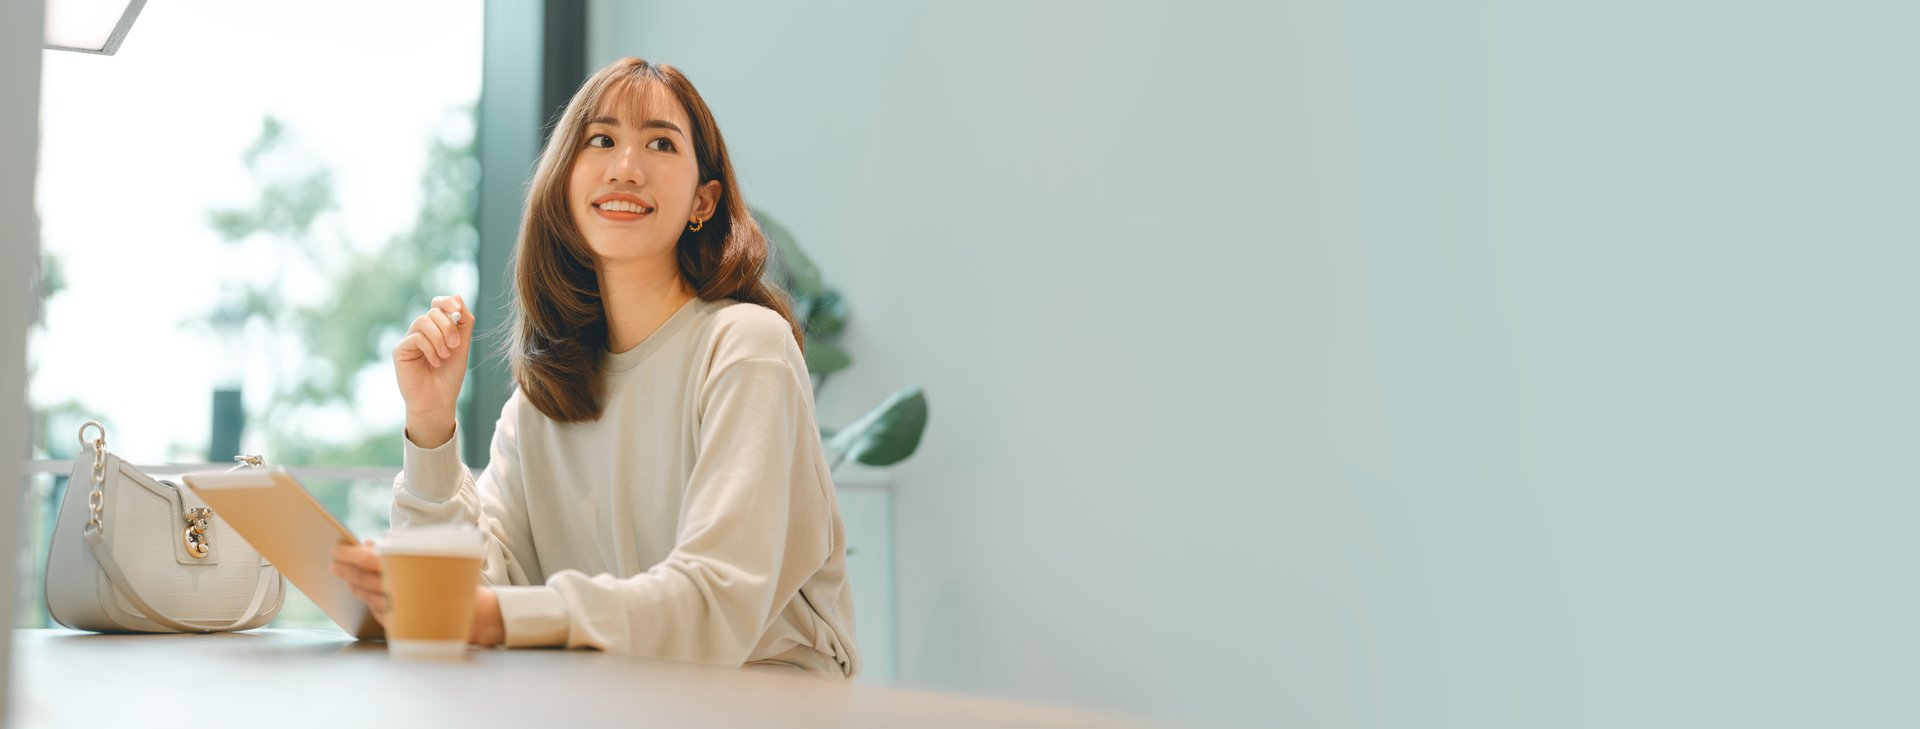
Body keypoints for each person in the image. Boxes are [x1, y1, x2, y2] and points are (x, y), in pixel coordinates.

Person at [329, 57, 860, 679]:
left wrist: (497, 617)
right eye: (601, 140)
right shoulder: (543, 399)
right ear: (565, 185)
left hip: (763, 699)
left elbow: (717, 599)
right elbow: (466, 593)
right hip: (606, 695)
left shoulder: (747, 346)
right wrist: (429, 425)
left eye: (660, 143)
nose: (626, 168)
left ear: (703, 201)